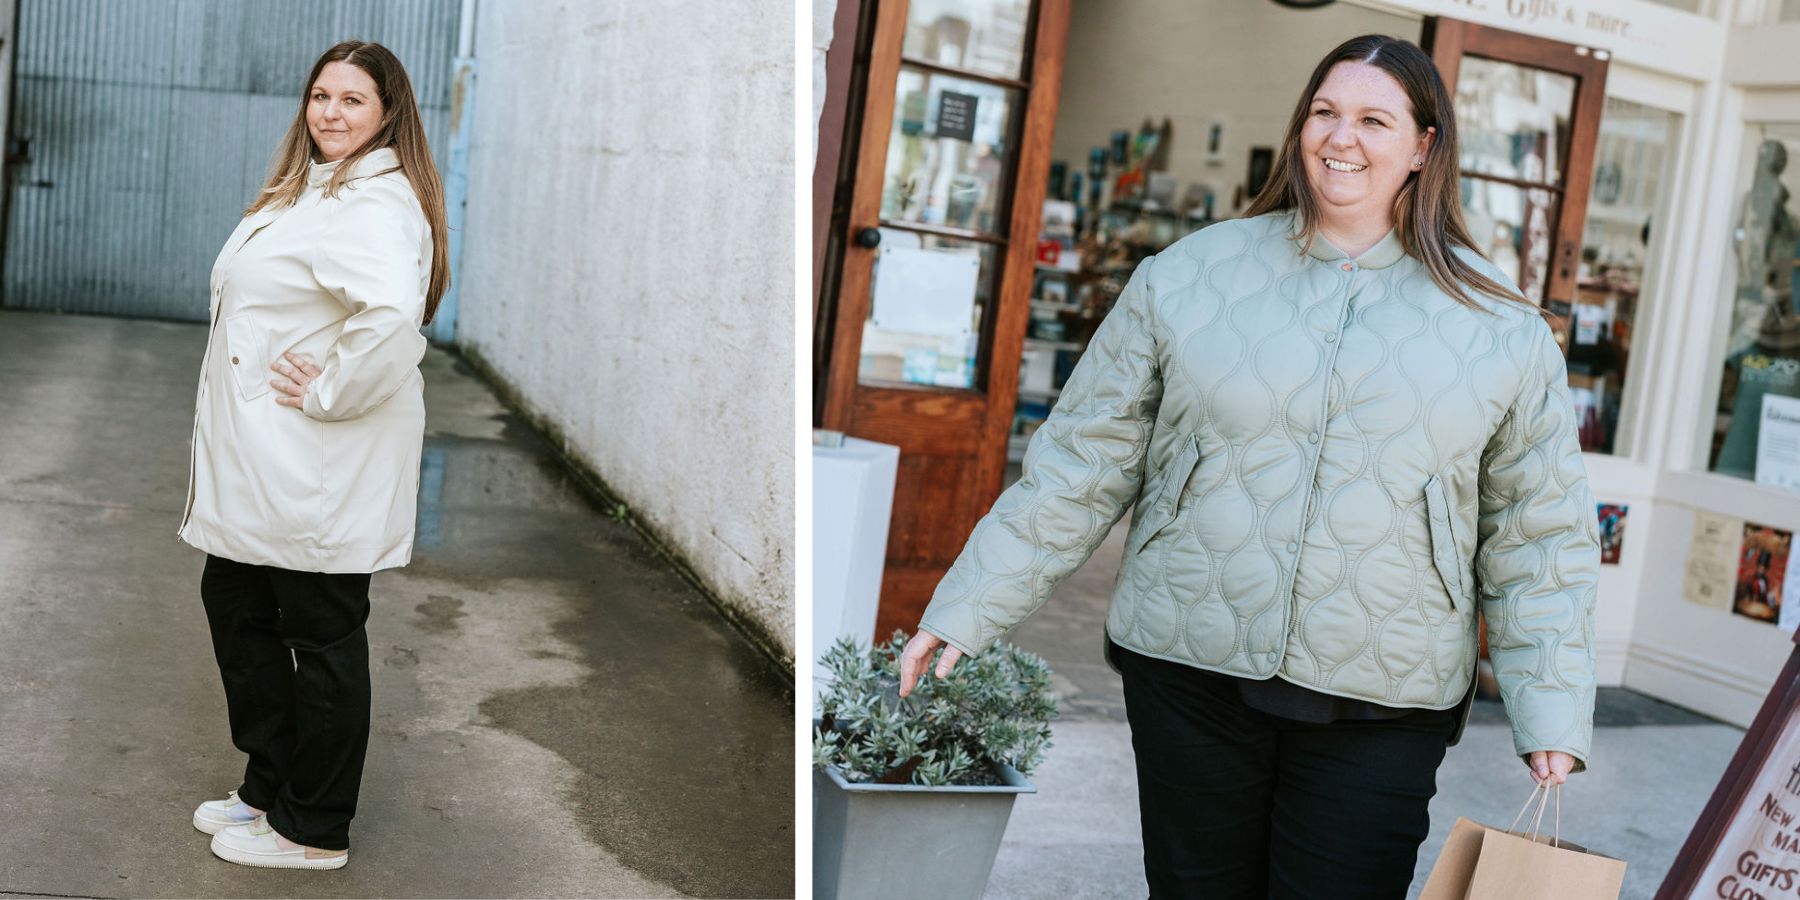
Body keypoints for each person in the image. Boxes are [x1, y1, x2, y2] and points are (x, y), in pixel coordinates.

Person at [899, 34, 1600, 898]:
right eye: (1324, 113)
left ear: (1423, 147)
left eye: (1374, 120)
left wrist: (1553, 706)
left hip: (1385, 694)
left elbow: (1539, 534)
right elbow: (1078, 465)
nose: (1341, 139)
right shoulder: (1188, 276)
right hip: (1191, 667)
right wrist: (969, 606)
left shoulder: (1499, 324)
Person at [178, 39, 449, 870]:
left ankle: (313, 826)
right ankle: (268, 785)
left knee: (322, 633)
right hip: (267, 459)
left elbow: (390, 323)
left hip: (318, 462)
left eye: (353, 100)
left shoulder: (374, 203)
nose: (330, 112)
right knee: (239, 601)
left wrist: (327, 388)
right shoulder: (311, 189)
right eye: (321, 95)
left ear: (388, 115)